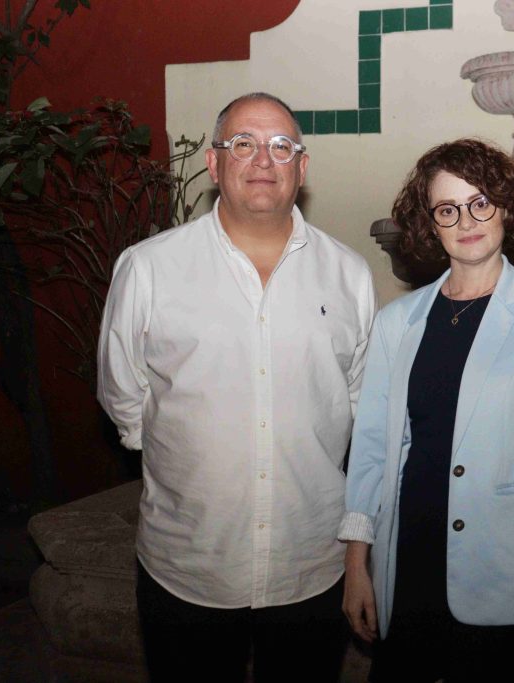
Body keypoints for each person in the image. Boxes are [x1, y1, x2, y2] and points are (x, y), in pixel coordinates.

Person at [97, 92, 376, 682]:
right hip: (189, 563)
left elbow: (357, 403)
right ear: (214, 162)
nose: (263, 160)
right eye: (243, 143)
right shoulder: (148, 268)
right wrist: (187, 464)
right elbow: (123, 393)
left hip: (310, 564)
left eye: (281, 146)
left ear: (302, 167)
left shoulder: (349, 274)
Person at [339, 138, 514, 682]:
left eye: (481, 202)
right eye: (447, 209)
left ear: (505, 207)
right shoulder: (397, 322)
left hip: (507, 573)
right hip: (407, 566)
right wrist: (357, 565)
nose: (466, 221)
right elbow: (371, 452)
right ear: (429, 224)